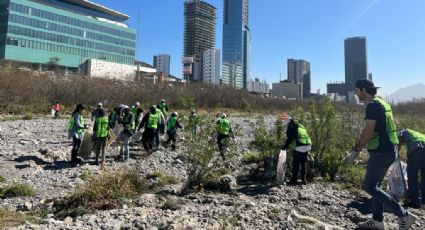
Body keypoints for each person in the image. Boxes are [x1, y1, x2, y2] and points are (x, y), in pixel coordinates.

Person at [351, 79, 417, 230]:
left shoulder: (372, 106)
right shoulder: (382, 103)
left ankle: (404, 215)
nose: (355, 93)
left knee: (368, 186)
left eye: (357, 90)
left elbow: (368, 131)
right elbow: (379, 129)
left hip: (382, 152)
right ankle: (377, 221)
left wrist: (356, 149)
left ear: (363, 90)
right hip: (389, 149)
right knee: (376, 185)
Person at [397, 128, 425, 209]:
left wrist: (396, 154)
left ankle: (415, 202)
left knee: (412, 177)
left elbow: (399, 140)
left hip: (416, 151)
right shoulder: (420, 134)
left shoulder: (404, 131)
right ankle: (424, 202)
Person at [281, 115, 312, 185]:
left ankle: (294, 180)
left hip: (299, 146)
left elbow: (290, 139)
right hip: (308, 145)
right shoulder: (300, 126)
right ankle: (304, 180)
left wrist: (284, 147)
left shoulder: (291, 127)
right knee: (303, 163)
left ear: (288, 123)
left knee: (296, 164)